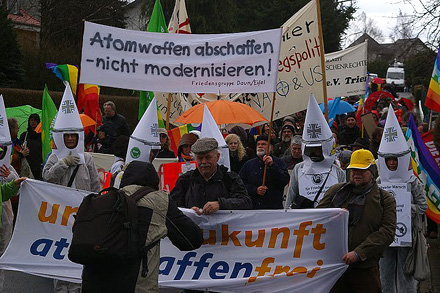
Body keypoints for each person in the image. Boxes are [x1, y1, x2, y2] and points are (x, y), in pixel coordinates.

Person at [81, 161, 203, 293]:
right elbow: (192, 239)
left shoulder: (104, 199)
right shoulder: (159, 202)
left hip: (95, 281)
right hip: (136, 283)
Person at [42, 88, 100, 293]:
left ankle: (75, 286)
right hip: (58, 213)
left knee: (78, 251)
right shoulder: (54, 157)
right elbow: (47, 177)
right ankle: (60, 287)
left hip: (81, 214)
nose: (69, 139)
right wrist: (63, 163)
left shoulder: (88, 158)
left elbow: (96, 186)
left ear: (77, 137)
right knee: (59, 250)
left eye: (72, 136)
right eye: (65, 136)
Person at [317, 149, 397, 293]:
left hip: (365, 270)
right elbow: (316, 219)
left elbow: (387, 232)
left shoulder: (385, 199)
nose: (356, 173)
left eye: (361, 170)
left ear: (372, 172)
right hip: (334, 268)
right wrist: (334, 216)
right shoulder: (336, 192)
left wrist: (359, 253)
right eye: (353, 169)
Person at [376, 108, 427, 293]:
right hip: (385, 235)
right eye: (389, 160)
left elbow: (423, 206)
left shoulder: (412, 180)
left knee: (406, 274)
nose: (392, 163)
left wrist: (405, 209)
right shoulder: (379, 182)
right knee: (385, 273)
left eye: (395, 160)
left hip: (408, 234)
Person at [285, 96, 345, 209]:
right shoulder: (298, 169)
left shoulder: (337, 172)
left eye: (318, 148)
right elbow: (290, 198)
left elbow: (344, 200)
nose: (314, 151)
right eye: (312, 148)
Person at [171, 137, 252, 214]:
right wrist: (188, 212)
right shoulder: (185, 180)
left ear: (217, 157)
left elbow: (245, 202)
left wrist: (220, 204)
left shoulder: (230, 178)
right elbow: (172, 206)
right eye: (200, 158)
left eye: (208, 157)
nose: (204, 162)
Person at [239, 135, 290, 209]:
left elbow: (284, 180)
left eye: (263, 144)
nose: (260, 146)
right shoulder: (249, 164)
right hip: (253, 208)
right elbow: (241, 184)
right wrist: (255, 190)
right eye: (258, 144)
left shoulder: (279, 162)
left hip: (273, 208)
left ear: (271, 148)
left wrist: (272, 166)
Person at [19, 113, 42, 179]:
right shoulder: (24, 135)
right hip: (27, 165)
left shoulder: (42, 135)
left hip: (39, 166)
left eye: (35, 120)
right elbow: (19, 150)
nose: (33, 122)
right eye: (31, 120)